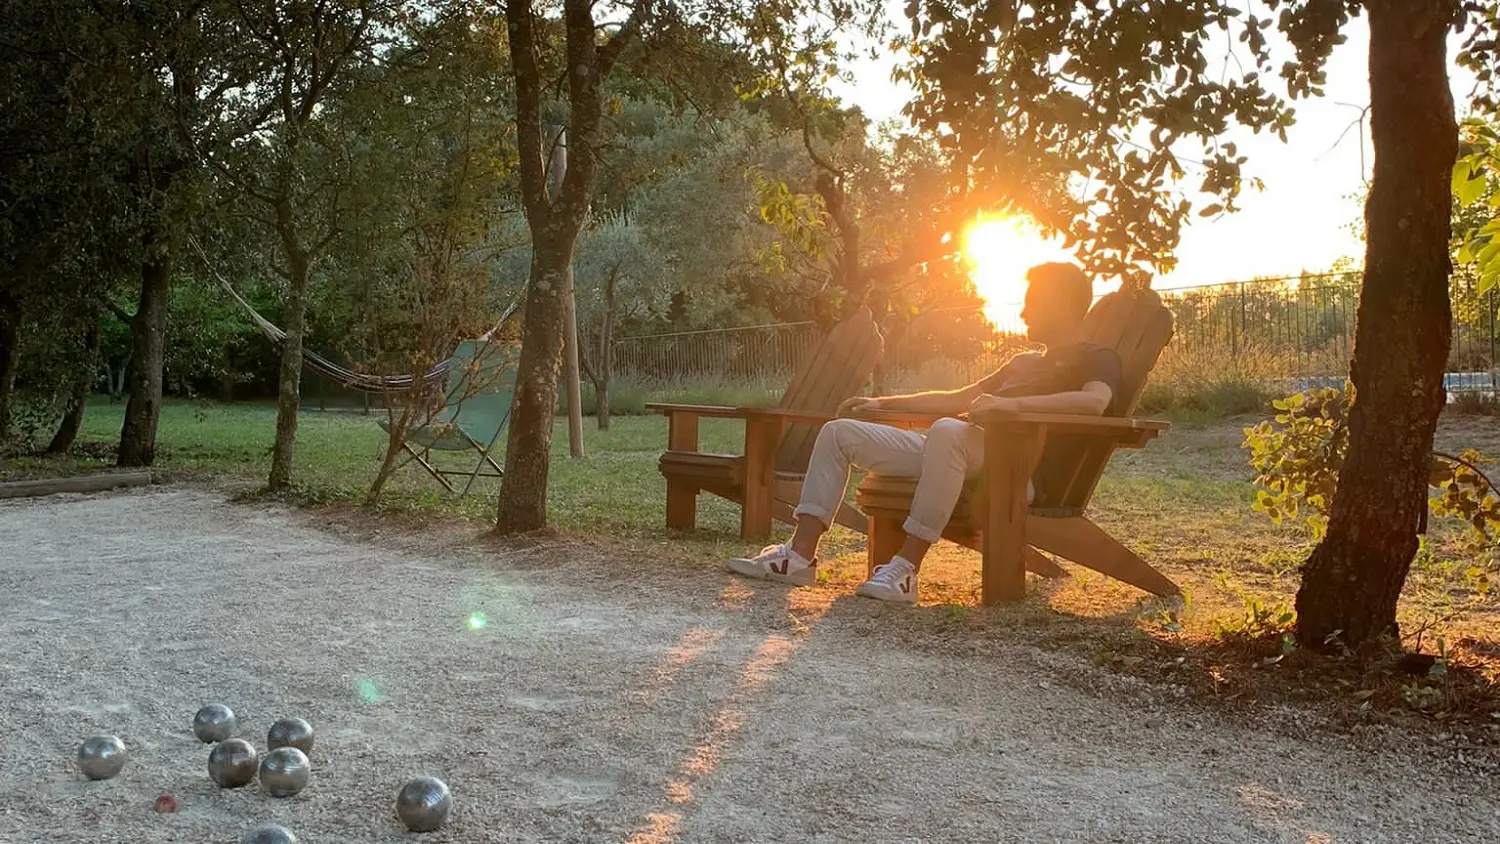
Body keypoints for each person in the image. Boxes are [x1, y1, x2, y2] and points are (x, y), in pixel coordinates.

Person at [724, 261, 1124, 603]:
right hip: (959, 449)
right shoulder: (1022, 362)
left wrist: (1011, 405)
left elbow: (1094, 402)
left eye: (1033, 301)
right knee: (839, 432)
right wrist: (884, 404)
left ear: (1063, 303)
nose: (1023, 313)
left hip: (1016, 468)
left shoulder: (1098, 357)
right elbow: (958, 397)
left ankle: (905, 570)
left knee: (948, 431)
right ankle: (798, 557)